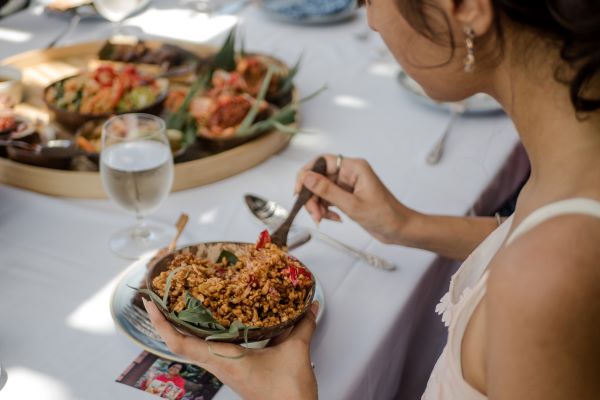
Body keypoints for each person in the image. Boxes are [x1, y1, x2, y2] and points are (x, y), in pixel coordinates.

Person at [144, 0, 600, 398]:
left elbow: (544, 261)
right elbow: (524, 235)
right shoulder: (572, 162)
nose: (373, 22)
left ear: (465, 6)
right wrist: (406, 226)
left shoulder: (547, 281)